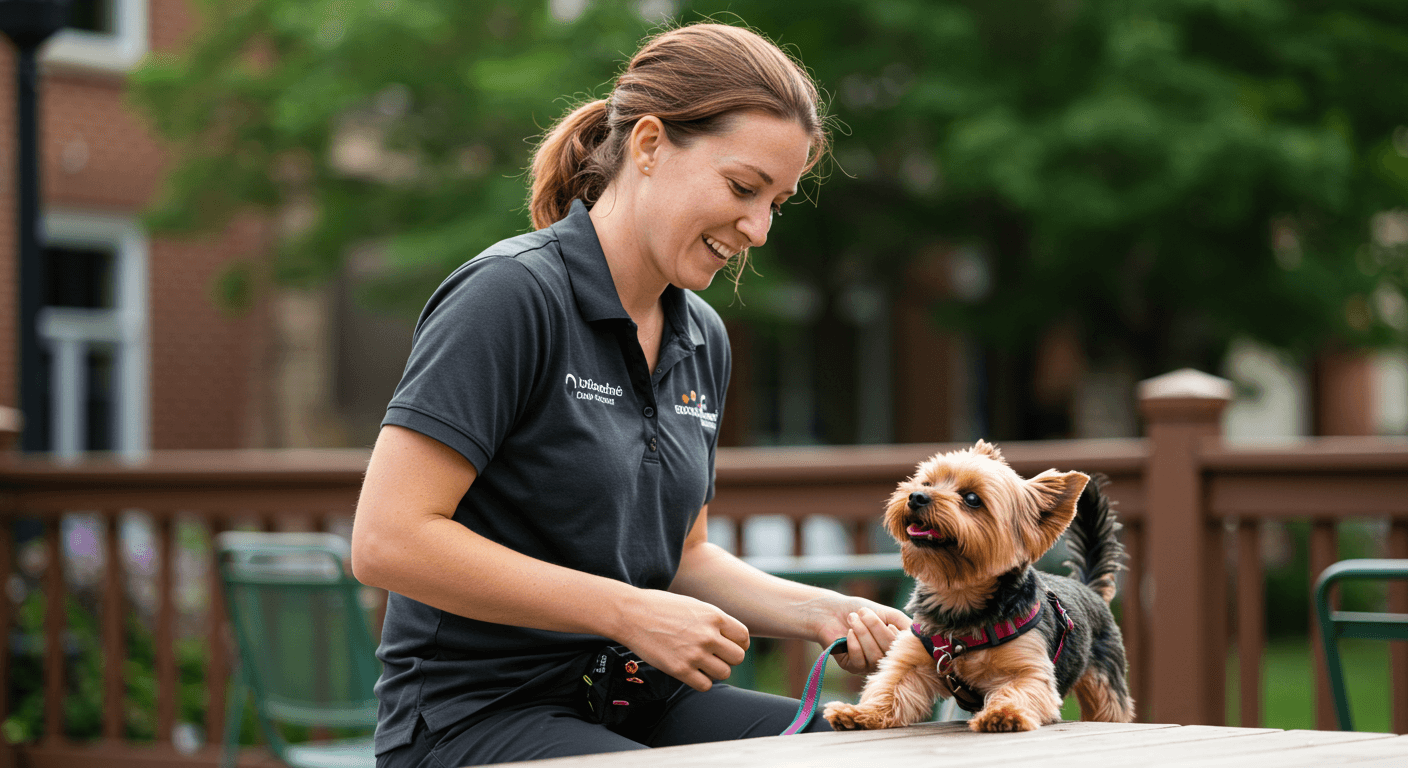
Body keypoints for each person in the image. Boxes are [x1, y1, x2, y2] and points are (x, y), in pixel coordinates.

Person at [351, 22, 910, 767]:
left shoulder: (702, 336)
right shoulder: (509, 297)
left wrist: (818, 610)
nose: (759, 228)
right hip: (472, 721)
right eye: (743, 188)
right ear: (648, 144)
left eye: (779, 200)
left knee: (869, 752)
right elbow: (388, 539)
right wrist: (626, 611)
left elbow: (682, 556)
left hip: (637, 702)